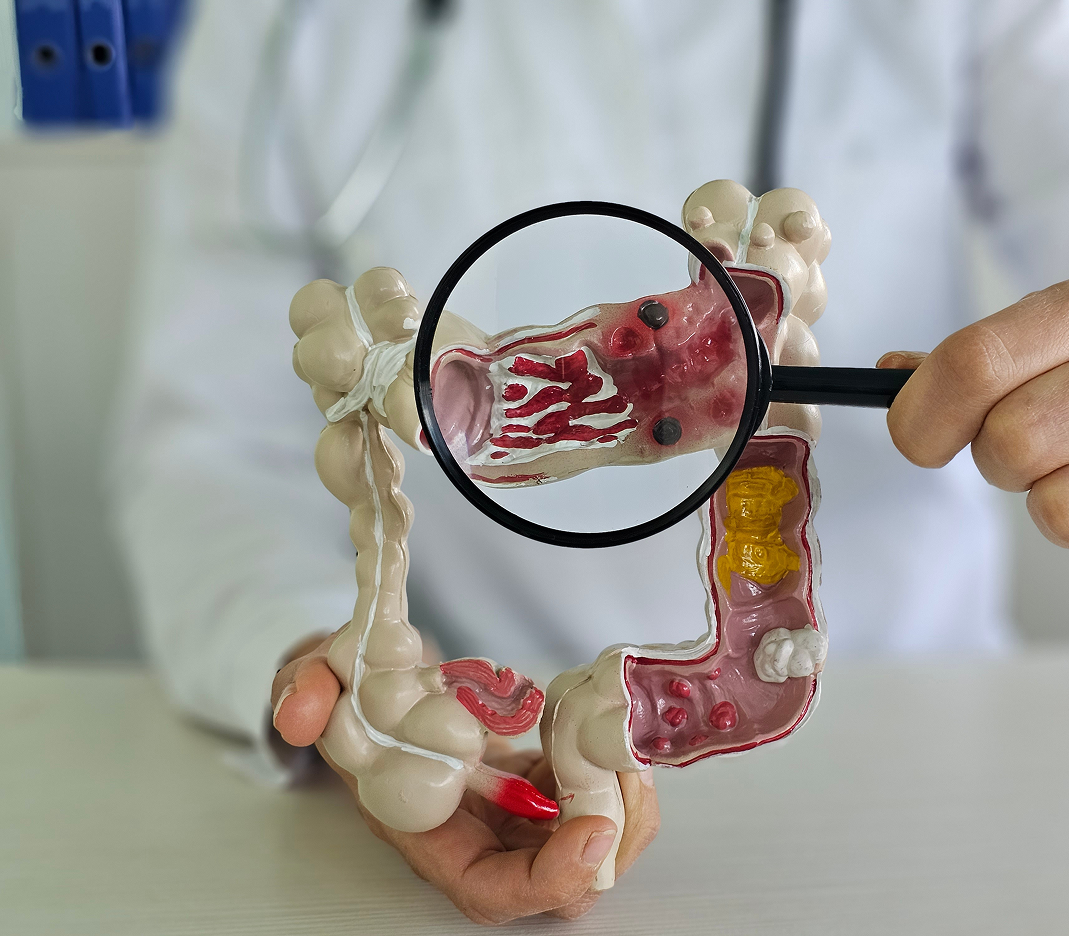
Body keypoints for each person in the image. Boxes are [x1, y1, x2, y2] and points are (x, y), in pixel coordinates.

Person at [110, 1, 1069, 923]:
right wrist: (326, 668)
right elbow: (215, 446)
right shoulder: (284, 18)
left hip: (941, 747)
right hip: (468, 720)